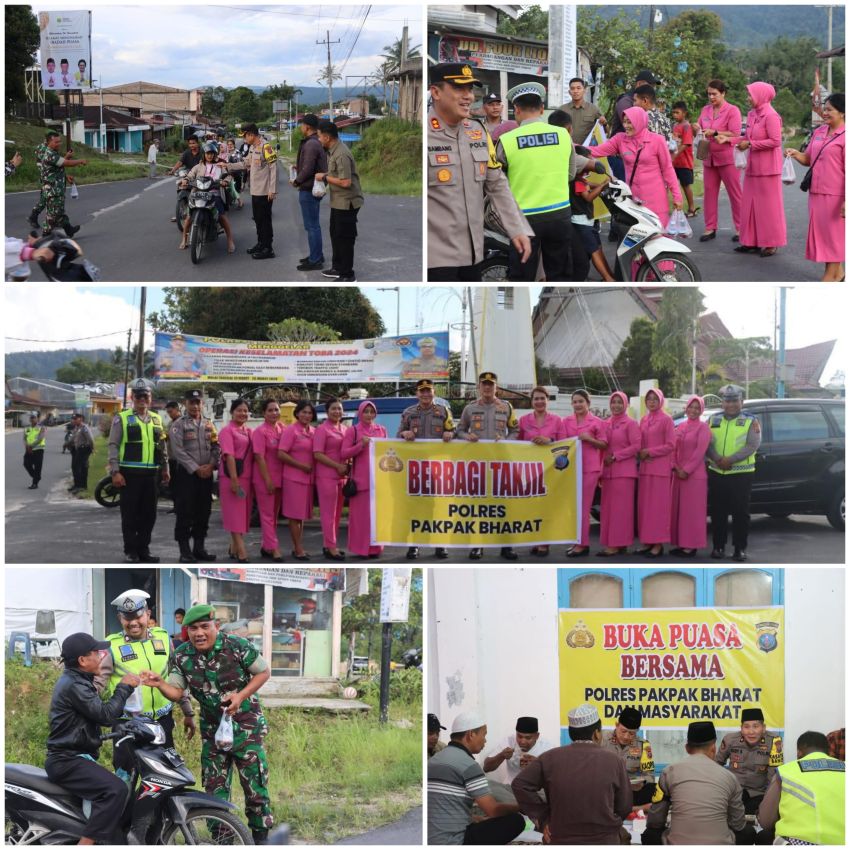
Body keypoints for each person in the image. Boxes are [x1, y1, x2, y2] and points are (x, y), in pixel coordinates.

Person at [142, 604, 274, 844]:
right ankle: (223, 840)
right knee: (214, 790)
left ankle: (260, 838)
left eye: (205, 626)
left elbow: (263, 672)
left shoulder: (236, 646)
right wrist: (160, 684)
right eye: (193, 628)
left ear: (216, 626)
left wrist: (240, 696)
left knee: (255, 787)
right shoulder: (182, 655)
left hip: (247, 728)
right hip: (213, 732)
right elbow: (176, 691)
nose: (199, 633)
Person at [427, 62, 532, 281]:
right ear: (436, 92)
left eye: (470, 89)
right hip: (435, 259)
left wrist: (517, 229)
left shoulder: (477, 131)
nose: (468, 96)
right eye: (459, 88)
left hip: (474, 254)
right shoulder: (425, 135)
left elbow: (497, 184)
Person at [45, 632, 138, 846]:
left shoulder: (78, 680)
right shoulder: (74, 685)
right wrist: (124, 687)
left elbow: (89, 718)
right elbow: (106, 715)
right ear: (83, 660)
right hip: (66, 760)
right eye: (96, 653)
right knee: (116, 790)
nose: (101, 656)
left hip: (73, 757)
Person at [496, 81, 593, 282]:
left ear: (516, 110)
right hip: (560, 214)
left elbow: (498, 183)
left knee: (522, 275)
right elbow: (570, 174)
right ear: (541, 109)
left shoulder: (507, 140)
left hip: (524, 219)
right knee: (559, 275)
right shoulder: (563, 135)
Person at [97, 588, 196, 773]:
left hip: (161, 722)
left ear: (148, 614)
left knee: (166, 776)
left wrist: (188, 712)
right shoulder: (111, 645)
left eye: (138, 616)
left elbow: (176, 677)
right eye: (127, 618)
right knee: (125, 777)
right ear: (120, 618)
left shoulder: (163, 638)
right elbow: (97, 685)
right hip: (127, 725)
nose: (133, 623)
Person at [512, 703, 632, 844]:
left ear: (571, 733)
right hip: (604, 840)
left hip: (559, 838)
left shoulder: (549, 758)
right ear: (596, 733)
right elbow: (625, 806)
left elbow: (519, 785)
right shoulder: (614, 761)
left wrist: (544, 818)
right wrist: (609, 822)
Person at [428, 710, 525, 845]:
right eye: (484, 735)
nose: (485, 740)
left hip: (430, 839)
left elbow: (444, 806)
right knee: (516, 820)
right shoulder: (469, 765)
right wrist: (521, 807)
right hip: (454, 841)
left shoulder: (433, 760)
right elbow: (493, 810)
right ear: (471, 735)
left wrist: (472, 819)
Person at [643, 720, 747, 845]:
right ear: (713, 748)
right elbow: (738, 824)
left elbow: (655, 821)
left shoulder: (669, 772)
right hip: (720, 844)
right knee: (747, 832)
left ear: (687, 748)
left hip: (679, 844)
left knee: (650, 834)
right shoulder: (729, 777)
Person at [456, 371, 519, 561]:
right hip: (478, 465)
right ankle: (477, 545)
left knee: (503, 506)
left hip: (500, 464)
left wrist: (507, 441)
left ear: (496, 387)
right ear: (479, 387)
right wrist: (467, 436)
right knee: (478, 507)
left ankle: (506, 546)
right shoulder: (470, 408)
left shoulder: (506, 407)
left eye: (491, 384)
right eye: (484, 384)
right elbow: (459, 430)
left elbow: (515, 430)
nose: (487, 387)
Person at [107, 379, 169, 563]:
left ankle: (144, 549)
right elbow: (113, 445)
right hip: (129, 474)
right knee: (130, 515)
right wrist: (115, 471)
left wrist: (165, 468)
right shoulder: (122, 418)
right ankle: (131, 550)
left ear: (150, 398)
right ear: (132, 398)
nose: (142, 399)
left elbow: (162, 446)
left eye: (145, 396)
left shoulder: (156, 419)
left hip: (151, 475)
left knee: (149, 516)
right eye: (139, 396)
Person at [591, 106, 683, 230]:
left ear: (639, 121)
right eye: (624, 122)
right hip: (634, 199)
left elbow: (668, 169)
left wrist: (677, 196)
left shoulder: (657, 140)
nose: (626, 125)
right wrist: (571, 146)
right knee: (637, 235)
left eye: (630, 122)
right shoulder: (620, 139)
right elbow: (596, 151)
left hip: (656, 199)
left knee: (659, 234)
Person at [786, 92, 845, 281]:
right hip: (816, 193)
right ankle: (839, 274)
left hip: (836, 196)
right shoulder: (819, 132)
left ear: (842, 112)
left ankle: (831, 277)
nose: (824, 113)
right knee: (825, 237)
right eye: (824, 109)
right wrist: (796, 154)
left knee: (834, 237)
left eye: (829, 110)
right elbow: (809, 159)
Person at [757, 730, 845, 845]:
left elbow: (765, 821)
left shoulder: (785, 771)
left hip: (799, 842)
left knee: (764, 836)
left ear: (799, 752)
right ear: (828, 751)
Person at [397, 379, 453, 560]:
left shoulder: (443, 412)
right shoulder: (408, 413)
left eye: (429, 390)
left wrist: (450, 433)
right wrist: (404, 433)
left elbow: (455, 432)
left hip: (438, 469)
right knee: (415, 507)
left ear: (434, 392)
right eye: (422, 391)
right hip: (416, 469)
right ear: (417, 394)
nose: (426, 394)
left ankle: (440, 544)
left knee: (440, 507)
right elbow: (398, 435)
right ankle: (414, 545)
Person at [706, 384, 761, 561]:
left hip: (741, 474)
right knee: (718, 512)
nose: (731, 404)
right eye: (727, 401)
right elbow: (706, 443)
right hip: (717, 472)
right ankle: (718, 547)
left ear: (741, 402)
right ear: (722, 403)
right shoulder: (713, 420)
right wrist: (717, 459)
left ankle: (739, 548)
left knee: (740, 513)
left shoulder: (751, 421)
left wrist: (730, 460)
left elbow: (752, 445)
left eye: (735, 401)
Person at [606, 69, 660, 242]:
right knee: (623, 193)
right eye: (650, 85)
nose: (652, 89)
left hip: (634, 156)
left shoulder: (646, 108)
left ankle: (633, 228)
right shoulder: (626, 102)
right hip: (620, 155)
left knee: (633, 193)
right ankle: (617, 229)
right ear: (639, 84)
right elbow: (632, 125)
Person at [736, 82, 786, 258]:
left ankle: (771, 242)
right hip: (753, 167)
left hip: (768, 169)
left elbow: (775, 141)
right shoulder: (752, 114)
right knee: (749, 205)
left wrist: (750, 144)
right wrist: (727, 140)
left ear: (761, 95)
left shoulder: (771, 116)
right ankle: (751, 241)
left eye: (750, 95)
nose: (748, 98)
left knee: (769, 208)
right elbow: (745, 137)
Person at [170, 388, 219, 563]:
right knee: (185, 513)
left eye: (198, 402)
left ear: (202, 404)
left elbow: (216, 446)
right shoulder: (179, 425)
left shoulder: (209, 424)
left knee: (203, 512)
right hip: (187, 475)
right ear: (185, 404)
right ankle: (184, 551)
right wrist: (196, 468)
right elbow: (178, 451)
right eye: (191, 402)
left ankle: (199, 548)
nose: (195, 406)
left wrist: (211, 465)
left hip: (206, 475)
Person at [517, 386, 567, 557]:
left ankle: (544, 543)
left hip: (550, 470)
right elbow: (516, 443)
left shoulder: (557, 420)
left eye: (542, 398)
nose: (539, 401)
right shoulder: (523, 420)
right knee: (532, 506)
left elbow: (565, 443)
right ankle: (535, 540)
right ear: (531, 401)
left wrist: (550, 440)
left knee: (547, 507)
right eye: (536, 398)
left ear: (547, 400)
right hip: (530, 470)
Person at [315, 119, 364, 282]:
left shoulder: (341, 154)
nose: (319, 139)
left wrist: (324, 177)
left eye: (319, 136)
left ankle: (347, 274)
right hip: (338, 201)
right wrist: (325, 177)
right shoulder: (332, 151)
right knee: (335, 234)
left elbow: (345, 182)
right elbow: (335, 175)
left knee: (345, 238)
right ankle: (338, 268)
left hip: (347, 202)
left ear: (327, 137)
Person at [220, 122, 277, 260]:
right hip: (255, 190)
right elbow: (245, 163)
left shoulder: (266, 147)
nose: (244, 139)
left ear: (251, 134)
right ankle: (261, 244)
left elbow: (273, 168)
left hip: (265, 191)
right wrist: (228, 165)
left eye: (245, 136)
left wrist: (272, 189)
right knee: (258, 219)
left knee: (265, 221)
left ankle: (268, 248)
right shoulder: (253, 147)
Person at [697, 79, 744, 242]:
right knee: (709, 193)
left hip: (727, 158)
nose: (711, 97)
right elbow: (700, 126)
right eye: (709, 94)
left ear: (723, 93)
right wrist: (697, 128)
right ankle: (710, 227)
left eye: (714, 94)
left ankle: (741, 228)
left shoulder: (733, 110)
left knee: (735, 194)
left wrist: (716, 132)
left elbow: (735, 133)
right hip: (709, 157)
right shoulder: (705, 110)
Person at [563, 389, 608, 557]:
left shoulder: (597, 422)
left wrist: (589, 439)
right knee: (574, 507)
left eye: (581, 401)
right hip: (571, 468)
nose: (578, 404)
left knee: (583, 507)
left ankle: (583, 544)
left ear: (588, 403)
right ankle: (577, 541)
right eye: (575, 402)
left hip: (590, 469)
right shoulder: (566, 421)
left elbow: (604, 444)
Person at [340, 400, 386, 559]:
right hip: (360, 481)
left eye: (371, 411)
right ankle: (361, 549)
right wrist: (361, 445)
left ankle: (376, 549)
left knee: (377, 517)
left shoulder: (382, 430)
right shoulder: (352, 431)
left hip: (378, 480)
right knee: (361, 518)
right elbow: (344, 453)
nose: (369, 415)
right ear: (360, 413)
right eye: (365, 411)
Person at [716, 707, 783, 815]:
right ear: (741, 728)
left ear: (763, 728)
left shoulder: (774, 741)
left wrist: (769, 801)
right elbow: (716, 765)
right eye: (746, 727)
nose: (751, 732)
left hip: (759, 794)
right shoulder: (730, 740)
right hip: (734, 792)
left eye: (756, 726)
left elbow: (773, 776)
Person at [597, 391, 641, 557]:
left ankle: (616, 545)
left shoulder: (631, 423)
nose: (616, 405)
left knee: (620, 510)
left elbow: (636, 446)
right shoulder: (606, 423)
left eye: (619, 402)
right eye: (613, 402)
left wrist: (616, 456)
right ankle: (618, 543)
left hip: (624, 473)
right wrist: (601, 471)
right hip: (608, 473)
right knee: (608, 510)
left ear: (625, 405)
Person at [670, 395, 711, 557]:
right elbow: (672, 449)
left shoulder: (703, 428)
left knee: (692, 512)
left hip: (694, 476)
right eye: (691, 407)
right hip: (678, 475)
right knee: (680, 511)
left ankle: (691, 545)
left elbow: (699, 452)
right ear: (686, 409)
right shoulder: (680, 426)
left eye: (697, 408)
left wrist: (686, 470)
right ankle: (681, 543)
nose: (693, 410)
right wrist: (675, 466)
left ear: (701, 410)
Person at [636, 388, 675, 558]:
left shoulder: (667, 419)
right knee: (645, 508)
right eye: (649, 399)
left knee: (658, 508)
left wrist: (649, 452)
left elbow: (671, 445)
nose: (651, 402)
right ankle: (647, 541)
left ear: (661, 401)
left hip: (660, 470)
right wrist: (639, 452)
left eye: (655, 399)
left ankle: (658, 544)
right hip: (645, 469)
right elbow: (639, 442)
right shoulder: (644, 419)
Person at [178, 141, 236, 253]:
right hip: (198, 193)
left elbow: (228, 176)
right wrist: (185, 180)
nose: (209, 156)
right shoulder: (198, 166)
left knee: (222, 216)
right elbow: (190, 175)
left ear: (215, 155)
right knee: (189, 217)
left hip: (214, 194)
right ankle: (184, 238)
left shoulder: (219, 166)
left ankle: (230, 240)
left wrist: (225, 181)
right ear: (204, 154)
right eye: (207, 153)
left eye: (211, 154)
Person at [483, 716, 556, 803]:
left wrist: (538, 764)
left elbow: (556, 776)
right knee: (485, 784)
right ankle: (523, 805)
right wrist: (501, 755)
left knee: (549, 794)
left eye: (528, 738)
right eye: (519, 736)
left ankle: (517, 805)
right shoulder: (509, 741)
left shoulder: (547, 747)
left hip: (535, 791)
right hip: (511, 789)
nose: (522, 741)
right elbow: (486, 767)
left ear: (537, 736)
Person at [278, 400, 317, 561]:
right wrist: (300, 466)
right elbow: (281, 453)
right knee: (294, 516)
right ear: (297, 413)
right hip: (293, 478)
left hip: (308, 479)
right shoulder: (291, 430)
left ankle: (298, 546)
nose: (306, 415)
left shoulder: (313, 431)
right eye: (303, 412)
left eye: (309, 413)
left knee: (301, 516)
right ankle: (298, 548)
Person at [28, 130, 87, 236]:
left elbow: (56, 168)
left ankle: (69, 230)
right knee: (53, 214)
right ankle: (45, 236)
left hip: (55, 188)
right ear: (48, 142)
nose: (59, 144)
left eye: (60, 141)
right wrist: (80, 161)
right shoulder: (50, 154)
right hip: (53, 190)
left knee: (59, 212)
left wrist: (65, 177)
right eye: (56, 142)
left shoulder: (52, 152)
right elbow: (66, 163)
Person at [313, 397, 349, 561]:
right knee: (328, 514)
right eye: (333, 408)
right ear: (327, 412)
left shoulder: (345, 429)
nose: (337, 411)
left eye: (339, 408)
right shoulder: (322, 429)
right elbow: (317, 454)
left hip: (342, 476)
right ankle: (331, 546)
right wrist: (336, 466)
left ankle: (329, 545)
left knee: (337, 514)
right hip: (327, 476)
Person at [290, 114, 327, 271]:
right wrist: (298, 168)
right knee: (312, 225)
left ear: (307, 126)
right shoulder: (314, 142)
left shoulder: (311, 144)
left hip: (309, 189)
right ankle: (316, 254)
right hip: (311, 188)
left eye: (301, 125)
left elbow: (308, 168)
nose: (300, 127)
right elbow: (308, 165)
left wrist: (297, 181)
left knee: (312, 226)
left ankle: (315, 259)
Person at [218, 397, 253, 563]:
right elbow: (229, 455)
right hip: (231, 477)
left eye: (245, 411)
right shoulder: (227, 431)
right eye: (239, 410)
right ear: (232, 412)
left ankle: (233, 547)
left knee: (242, 515)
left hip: (246, 477)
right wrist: (234, 479)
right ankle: (241, 550)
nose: (242, 413)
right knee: (235, 515)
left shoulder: (249, 431)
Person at [601, 707, 656, 806]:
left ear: (637, 731)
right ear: (617, 725)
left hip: (629, 791)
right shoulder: (601, 739)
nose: (626, 736)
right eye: (623, 731)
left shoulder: (643, 745)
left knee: (653, 788)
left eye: (631, 733)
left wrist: (641, 783)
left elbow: (650, 776)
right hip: (605, 789)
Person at [252, 398, 285, 563]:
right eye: (270, 410)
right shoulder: (260, 431)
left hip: (280, 478)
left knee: (274, 515)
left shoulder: (282, 429)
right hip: (264, 478)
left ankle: (266, 546)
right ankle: (274, 548)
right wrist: (268, 480)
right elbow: (259, 457)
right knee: (267, 515)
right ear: (264, 413)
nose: (274, 413)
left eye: (276, 409)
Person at [671, 101, 699, 218]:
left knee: (685, 185)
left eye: (677, 112)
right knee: (672, 185)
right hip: (675, 163)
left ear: (684, 113)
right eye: (673, 113)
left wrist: (674, 155)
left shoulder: (686, 126)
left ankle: (692, 208)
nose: (675, 115)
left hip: (684, 163)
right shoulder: (674, 126)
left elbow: (686, 143)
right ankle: (677, 208)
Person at [558, 77, 605, 146]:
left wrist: (604, 123)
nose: (575, 91)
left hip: (586, 149)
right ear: (569, 92)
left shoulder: (593, 109)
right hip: (566, 147)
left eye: (578, 88)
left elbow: (603, 130)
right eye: (572, 88)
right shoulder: (562, 110)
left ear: (584, 90)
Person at [70, 412, 94, 494]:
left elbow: (90, 439)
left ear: (81, 419)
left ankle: (81, 486)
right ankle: (77, 485)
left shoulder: (84, 428)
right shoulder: (77, 428)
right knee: (76, 467)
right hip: (79, 449)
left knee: (80, 467)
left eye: (75, 419)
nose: (74, 420)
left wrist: (92, 448)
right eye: (73, 419)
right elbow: (73, 438)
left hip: (84, 449)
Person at [23, 413, 46, 489]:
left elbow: (40, 438)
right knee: (26, 464)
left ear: (37, 419)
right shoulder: (27, 428)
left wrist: (31, 446)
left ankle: (35, 483)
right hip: (28, 449)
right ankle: (37, 477)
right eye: (31, 418)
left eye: (34, 418)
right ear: (30, 419)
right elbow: (24, 438)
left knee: (37, 467)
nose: (32, 419)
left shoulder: (42, 427)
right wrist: (27, 446)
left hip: (38, 449)